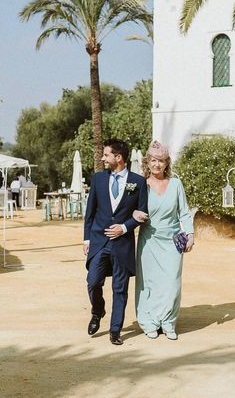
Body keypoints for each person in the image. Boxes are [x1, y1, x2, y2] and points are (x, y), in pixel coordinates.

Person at [83, 139, 148, 345]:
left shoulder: (138, 182)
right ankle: (97, 310)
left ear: (118, 158)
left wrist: (124, 227)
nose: (103, 158)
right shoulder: (98, 179)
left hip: (123, 243)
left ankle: (115, 330)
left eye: (106, 155)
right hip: (98, 241)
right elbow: (90, 212)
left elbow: (143, 212)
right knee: (93, 282)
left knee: (120, 288)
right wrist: (86, 239)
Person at [133, 140, 194, 341]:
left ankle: (168, 322)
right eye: (153, 160)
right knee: (149, 283)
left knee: (171, 283)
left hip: (172, 241)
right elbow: (129, 209)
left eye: (161, 161)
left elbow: (184, 212)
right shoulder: (141, 184)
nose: (157, 165)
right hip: (148, 241)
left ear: (167, 163)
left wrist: (191, 234)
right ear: (147, 162)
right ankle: (149, 322)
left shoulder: (176, 184)